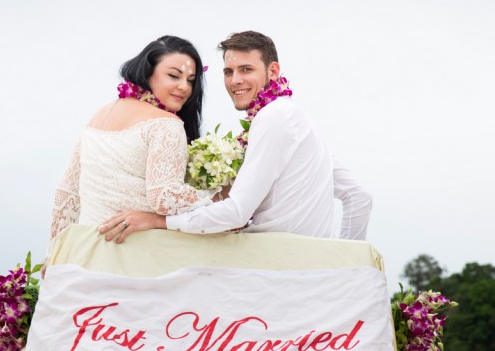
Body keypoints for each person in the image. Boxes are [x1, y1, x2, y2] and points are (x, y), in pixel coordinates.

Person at [101, 30, 372, 243]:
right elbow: (359, 196)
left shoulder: (274, 117)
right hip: (297, 263)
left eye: (246, 69)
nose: (235, 81)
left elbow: (237, 212)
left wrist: (157, 221)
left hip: (275, 265)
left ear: (273, 71)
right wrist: (342, 262)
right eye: (228, 72)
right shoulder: (292, 117)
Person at [41, 34, 218, 271]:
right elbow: (164, 196)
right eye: (174, 76)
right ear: (147, 73)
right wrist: (219, 200)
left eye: (191, 80)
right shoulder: (166, 124)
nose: (184, 87)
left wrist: (53, 253)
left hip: (85, 258)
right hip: (135, 258)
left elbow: (67, 194)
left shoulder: (99, 116)